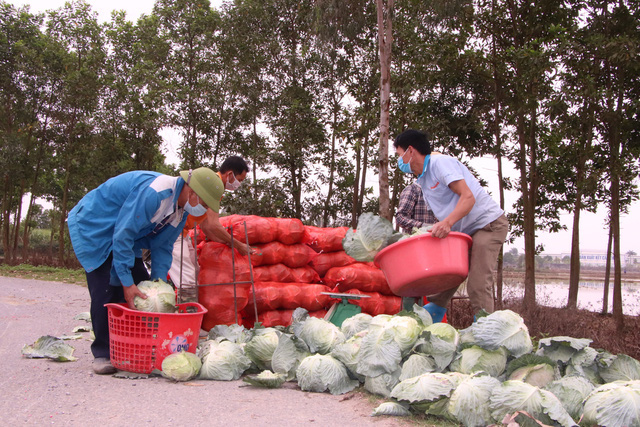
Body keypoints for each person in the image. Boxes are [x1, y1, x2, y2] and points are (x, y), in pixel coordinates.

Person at [67, 167, 224, 374]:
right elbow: (123, 234)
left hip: (124, 232)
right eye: (203, 204)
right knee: (106, 287)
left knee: (142, 286)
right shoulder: (155, 193)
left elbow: (163, 248)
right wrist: (126, 283)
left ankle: (133, 345)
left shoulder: (180, 210)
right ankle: (103, 353)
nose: (202, 210)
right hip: (95, 225)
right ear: (193, 192)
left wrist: (158, 286)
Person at [393, 129, 508, 322]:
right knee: (446, 274)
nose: (399, 161)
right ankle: (428, 320)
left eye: (399, 155)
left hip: (487, 225)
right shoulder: (422, 179)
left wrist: (447, 223)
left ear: (410, 151)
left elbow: (468, 197)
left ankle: (489, 333)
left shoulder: (440, 164)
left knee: (478, 284)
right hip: (464, 231)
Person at [169, 156, 251, 302]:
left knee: (195, 272)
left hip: (183, 231)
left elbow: (206, 226)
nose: (239, 184)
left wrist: (227, 242)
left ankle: (190, 311)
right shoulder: (212, 185)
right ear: (230, 175)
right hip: (173, 229)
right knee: (187, 279)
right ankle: (188, 315)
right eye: (240, 179)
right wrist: (237, 245)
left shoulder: (215, 185)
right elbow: (212, 225)